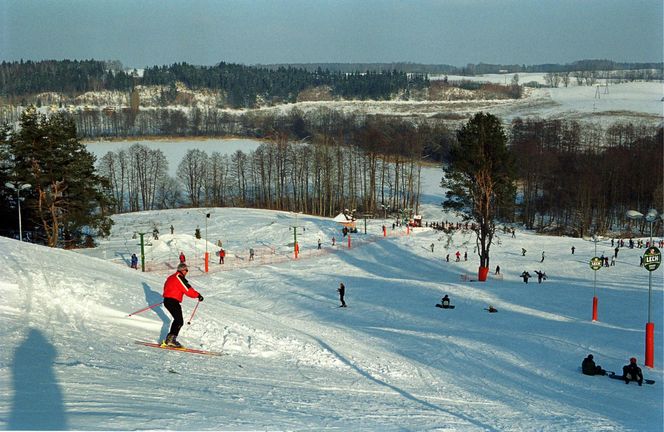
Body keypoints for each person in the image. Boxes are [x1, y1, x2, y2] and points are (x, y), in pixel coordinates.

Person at [162, 263, 203, 348]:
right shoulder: (179, 277)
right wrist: (198, 295)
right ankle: (171, 340)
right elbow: (188, 289)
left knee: (178, 320)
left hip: (168, 300)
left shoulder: (171, 277)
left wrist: (168, 295)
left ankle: (170, 339)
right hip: (172, 301)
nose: (187, 272)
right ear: (183, 270)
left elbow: (167, 287)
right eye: (186, 270)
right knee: (179, 321)